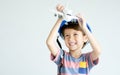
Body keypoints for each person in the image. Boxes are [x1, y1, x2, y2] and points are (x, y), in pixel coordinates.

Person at [46, 4, 101, 75]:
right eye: (67, 35)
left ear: (85, 38)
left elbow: (98, 51)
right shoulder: (62, 56)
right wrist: (60, 19)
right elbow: (49, 42)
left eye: (75, 34)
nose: (70, 38)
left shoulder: (86, 59)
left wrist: (84, 28)